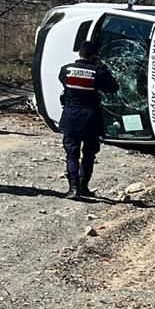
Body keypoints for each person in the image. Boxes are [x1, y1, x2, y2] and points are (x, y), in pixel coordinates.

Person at [58, 41, 117, 201]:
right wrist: (103, 68)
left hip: (70, 116)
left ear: (80, 53)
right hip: (90, 118)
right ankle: (83, 186)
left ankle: (73, 188)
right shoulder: (97, 72)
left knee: (72, 153)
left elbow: (64, 83)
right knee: (89, 153)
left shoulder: (66, 70)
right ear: (94, 56)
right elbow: (113, 88)